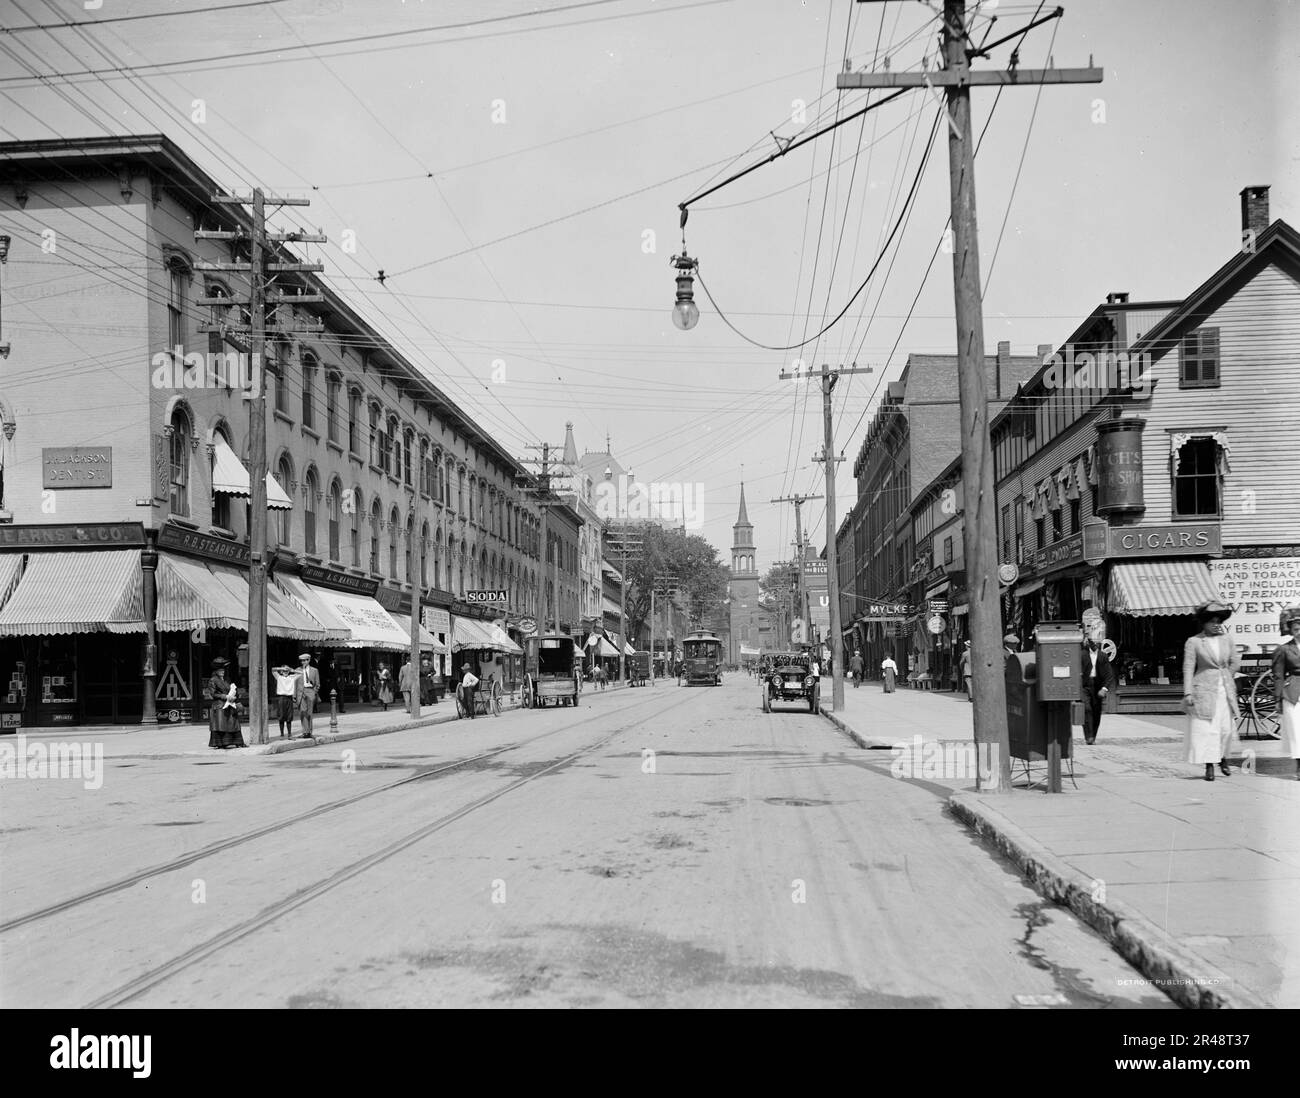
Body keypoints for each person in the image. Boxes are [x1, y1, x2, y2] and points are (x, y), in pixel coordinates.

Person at [1182, 600, 1240, 781]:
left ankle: (1223, 758)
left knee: (1225, 728)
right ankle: (1209, 766)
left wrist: (1225, 675)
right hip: (1204, 691)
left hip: (1225, 690)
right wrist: (1188, 692)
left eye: (1219, 622)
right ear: (1204, 623)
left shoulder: (1227, 640)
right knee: (1207, 729)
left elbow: (1235, 661)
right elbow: (1189, 667)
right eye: (1212, 622)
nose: (1216, 625)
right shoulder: (1194, 642)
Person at [1271, 609, 1300, 780]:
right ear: (1291, 630)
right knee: (1297, 730)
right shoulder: (1284, 650)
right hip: (1293, 692)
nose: (1299, 632)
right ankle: (1299, 766)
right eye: (1296, 629)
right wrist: (1277, 698)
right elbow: (1278, 675)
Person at [1080, 631, 1117, 745]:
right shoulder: (1082, 655)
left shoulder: (1102, 656)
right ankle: (1088, 736)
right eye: (1093, 642)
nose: (1095, 645)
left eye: (1097, 642)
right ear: (1088, 642)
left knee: (1096, 712)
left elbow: (1109, 674)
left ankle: (1093, 736)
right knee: (1087, 709)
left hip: (1098, 685)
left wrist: (1104, 688)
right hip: (1085, 685)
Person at [207, 657, 245, 750]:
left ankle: (237, 742)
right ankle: (222, 743)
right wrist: (225, 696)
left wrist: (235, 695)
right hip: (219, 704)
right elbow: (213, 694)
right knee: (222, 725)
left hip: (230, 704)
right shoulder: (213, 680)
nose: (222, 671)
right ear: (216, 671)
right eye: (220, 670)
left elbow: (233, 689)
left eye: (223, 670)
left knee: (234, 724)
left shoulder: (227, 679)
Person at [295, 653, 321, 739]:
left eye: (305, 660)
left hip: (310, 691)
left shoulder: (314, 670)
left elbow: (317, 684)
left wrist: (314, 692)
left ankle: (309, 732)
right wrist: (294, 695)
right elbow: (294, 684)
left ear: (308, 660)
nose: (303, 662)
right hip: (301, 692)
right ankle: (304, 732)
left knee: (309, 713)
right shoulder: (297, 670)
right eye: (302, 661)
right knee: (303, 712)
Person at [271, 663, 298, 738]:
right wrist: (281, 669)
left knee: (289, 716)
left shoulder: (292, 677)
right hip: (281, 698)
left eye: (287, 670)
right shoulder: (279, 677)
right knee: (281, 715)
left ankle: (289, 733)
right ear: (281, 672)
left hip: (289, 698)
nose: (285, 671)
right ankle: (282, 733)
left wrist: (291, 670)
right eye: (284, 670)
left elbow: (301, 673)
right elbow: (273, 669)